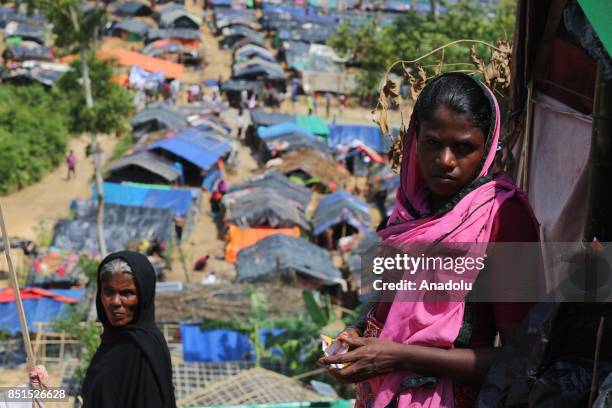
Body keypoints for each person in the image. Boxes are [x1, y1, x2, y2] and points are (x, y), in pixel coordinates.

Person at [318, 73, 539, 408]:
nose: (445, 160)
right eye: (433, 143)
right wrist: (357, 334)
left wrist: (400, 357)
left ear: (487, 147)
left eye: (464, 147)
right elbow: (386, 304)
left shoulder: (505, 221)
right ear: (414, 140)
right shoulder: (411, 208)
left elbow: (520, 359)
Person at [81, 251, 176, 408]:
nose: (115, 302)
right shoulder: (112, 343)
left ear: (144, 296)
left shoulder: (142, 350)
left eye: (127, 293)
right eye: (108, 292)